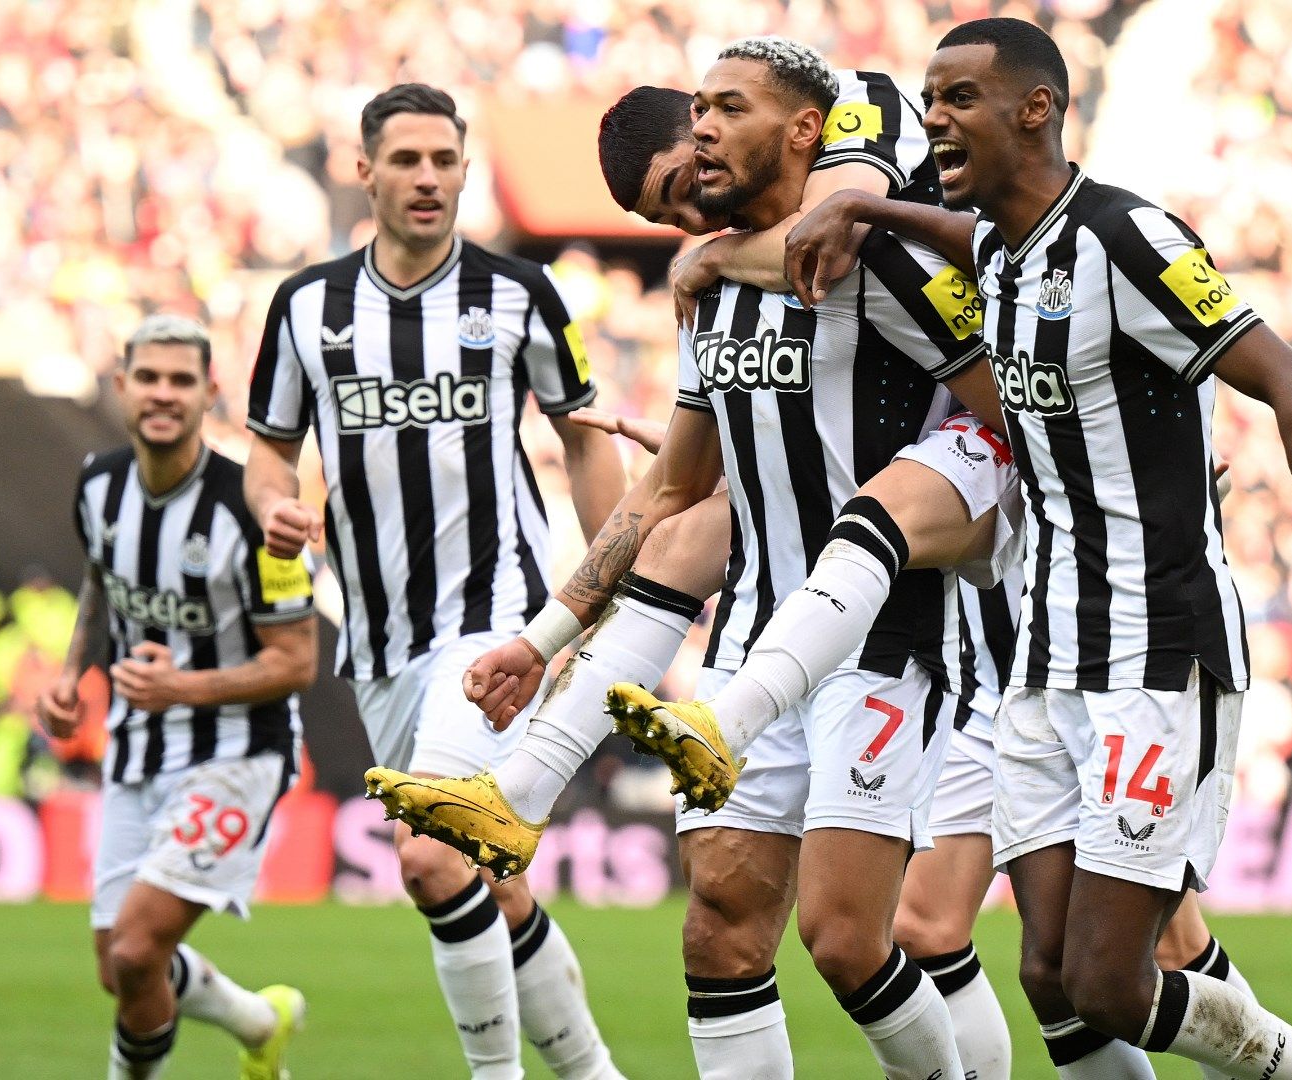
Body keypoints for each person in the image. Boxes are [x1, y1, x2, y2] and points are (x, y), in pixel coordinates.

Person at [783, 17, 1292, 1080]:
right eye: (928, 99)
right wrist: (861, 205)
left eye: (958, 98)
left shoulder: (1129, 239)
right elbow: (966, 240)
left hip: (1156, 654)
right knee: (1046, 975)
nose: (933, 118)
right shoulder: (1001, 249)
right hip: (1045, 664)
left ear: (1036, 108)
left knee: (1108, 983)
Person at [373, 38, 1009, 1080]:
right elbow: (670, 488)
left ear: (773, 130)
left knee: (853, 941)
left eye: (690, 177)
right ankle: (521, 790)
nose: (691, 213)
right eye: (670, 213)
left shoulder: (869, 240)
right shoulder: (712, 290)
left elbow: (1002, 411)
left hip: (892, 633)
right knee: (718, 927)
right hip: (753, 627)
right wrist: (543, 642)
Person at [241, 84, 627, 1080]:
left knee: (430, 857)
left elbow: (586, 440)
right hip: (377, 644)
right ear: (364, 171)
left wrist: (612, 596)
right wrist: (273, 505)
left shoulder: (520, 294)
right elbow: (268, 453)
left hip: (492, 622)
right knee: (490, 885)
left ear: (465, 171)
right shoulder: (307, 307)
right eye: (406, 160)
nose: (427, 178)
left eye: (443, 160)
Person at [39, 314, 312, 1080]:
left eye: (181, 381)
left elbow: (296, 662)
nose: (163, 394)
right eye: (149, 378)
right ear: (121, 386)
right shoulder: (98, 485)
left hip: (236, 753)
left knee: (137, 950)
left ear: (208, 392)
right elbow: (101, 584)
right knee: (119, 969)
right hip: (137, 747)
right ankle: (259, 1023)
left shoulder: (253, 510)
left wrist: (180, 687)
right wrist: (70, 675)